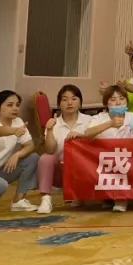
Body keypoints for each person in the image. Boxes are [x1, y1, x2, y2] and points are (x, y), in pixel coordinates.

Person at [84, 85, 133, 211]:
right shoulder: (99, 118)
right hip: (103, 159)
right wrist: (110, 124)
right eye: (113, 99)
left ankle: (121, 198)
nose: (118, 102)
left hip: (128, 159)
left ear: (127, 101)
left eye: (121, 98)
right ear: (106, 103)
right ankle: (111, 197)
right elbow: (87, 134)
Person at [36, 85, 89, 214]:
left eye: (74, 99)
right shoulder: (54, 123)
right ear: (59, 104)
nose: (69, 103)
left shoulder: (90, 121)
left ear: (80, 102)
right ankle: (46, 199)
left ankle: (79, 194)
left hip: (84, 170)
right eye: (65, 99)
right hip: (62, 171)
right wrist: (49, 130)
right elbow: (50, 149)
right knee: (46, 158)